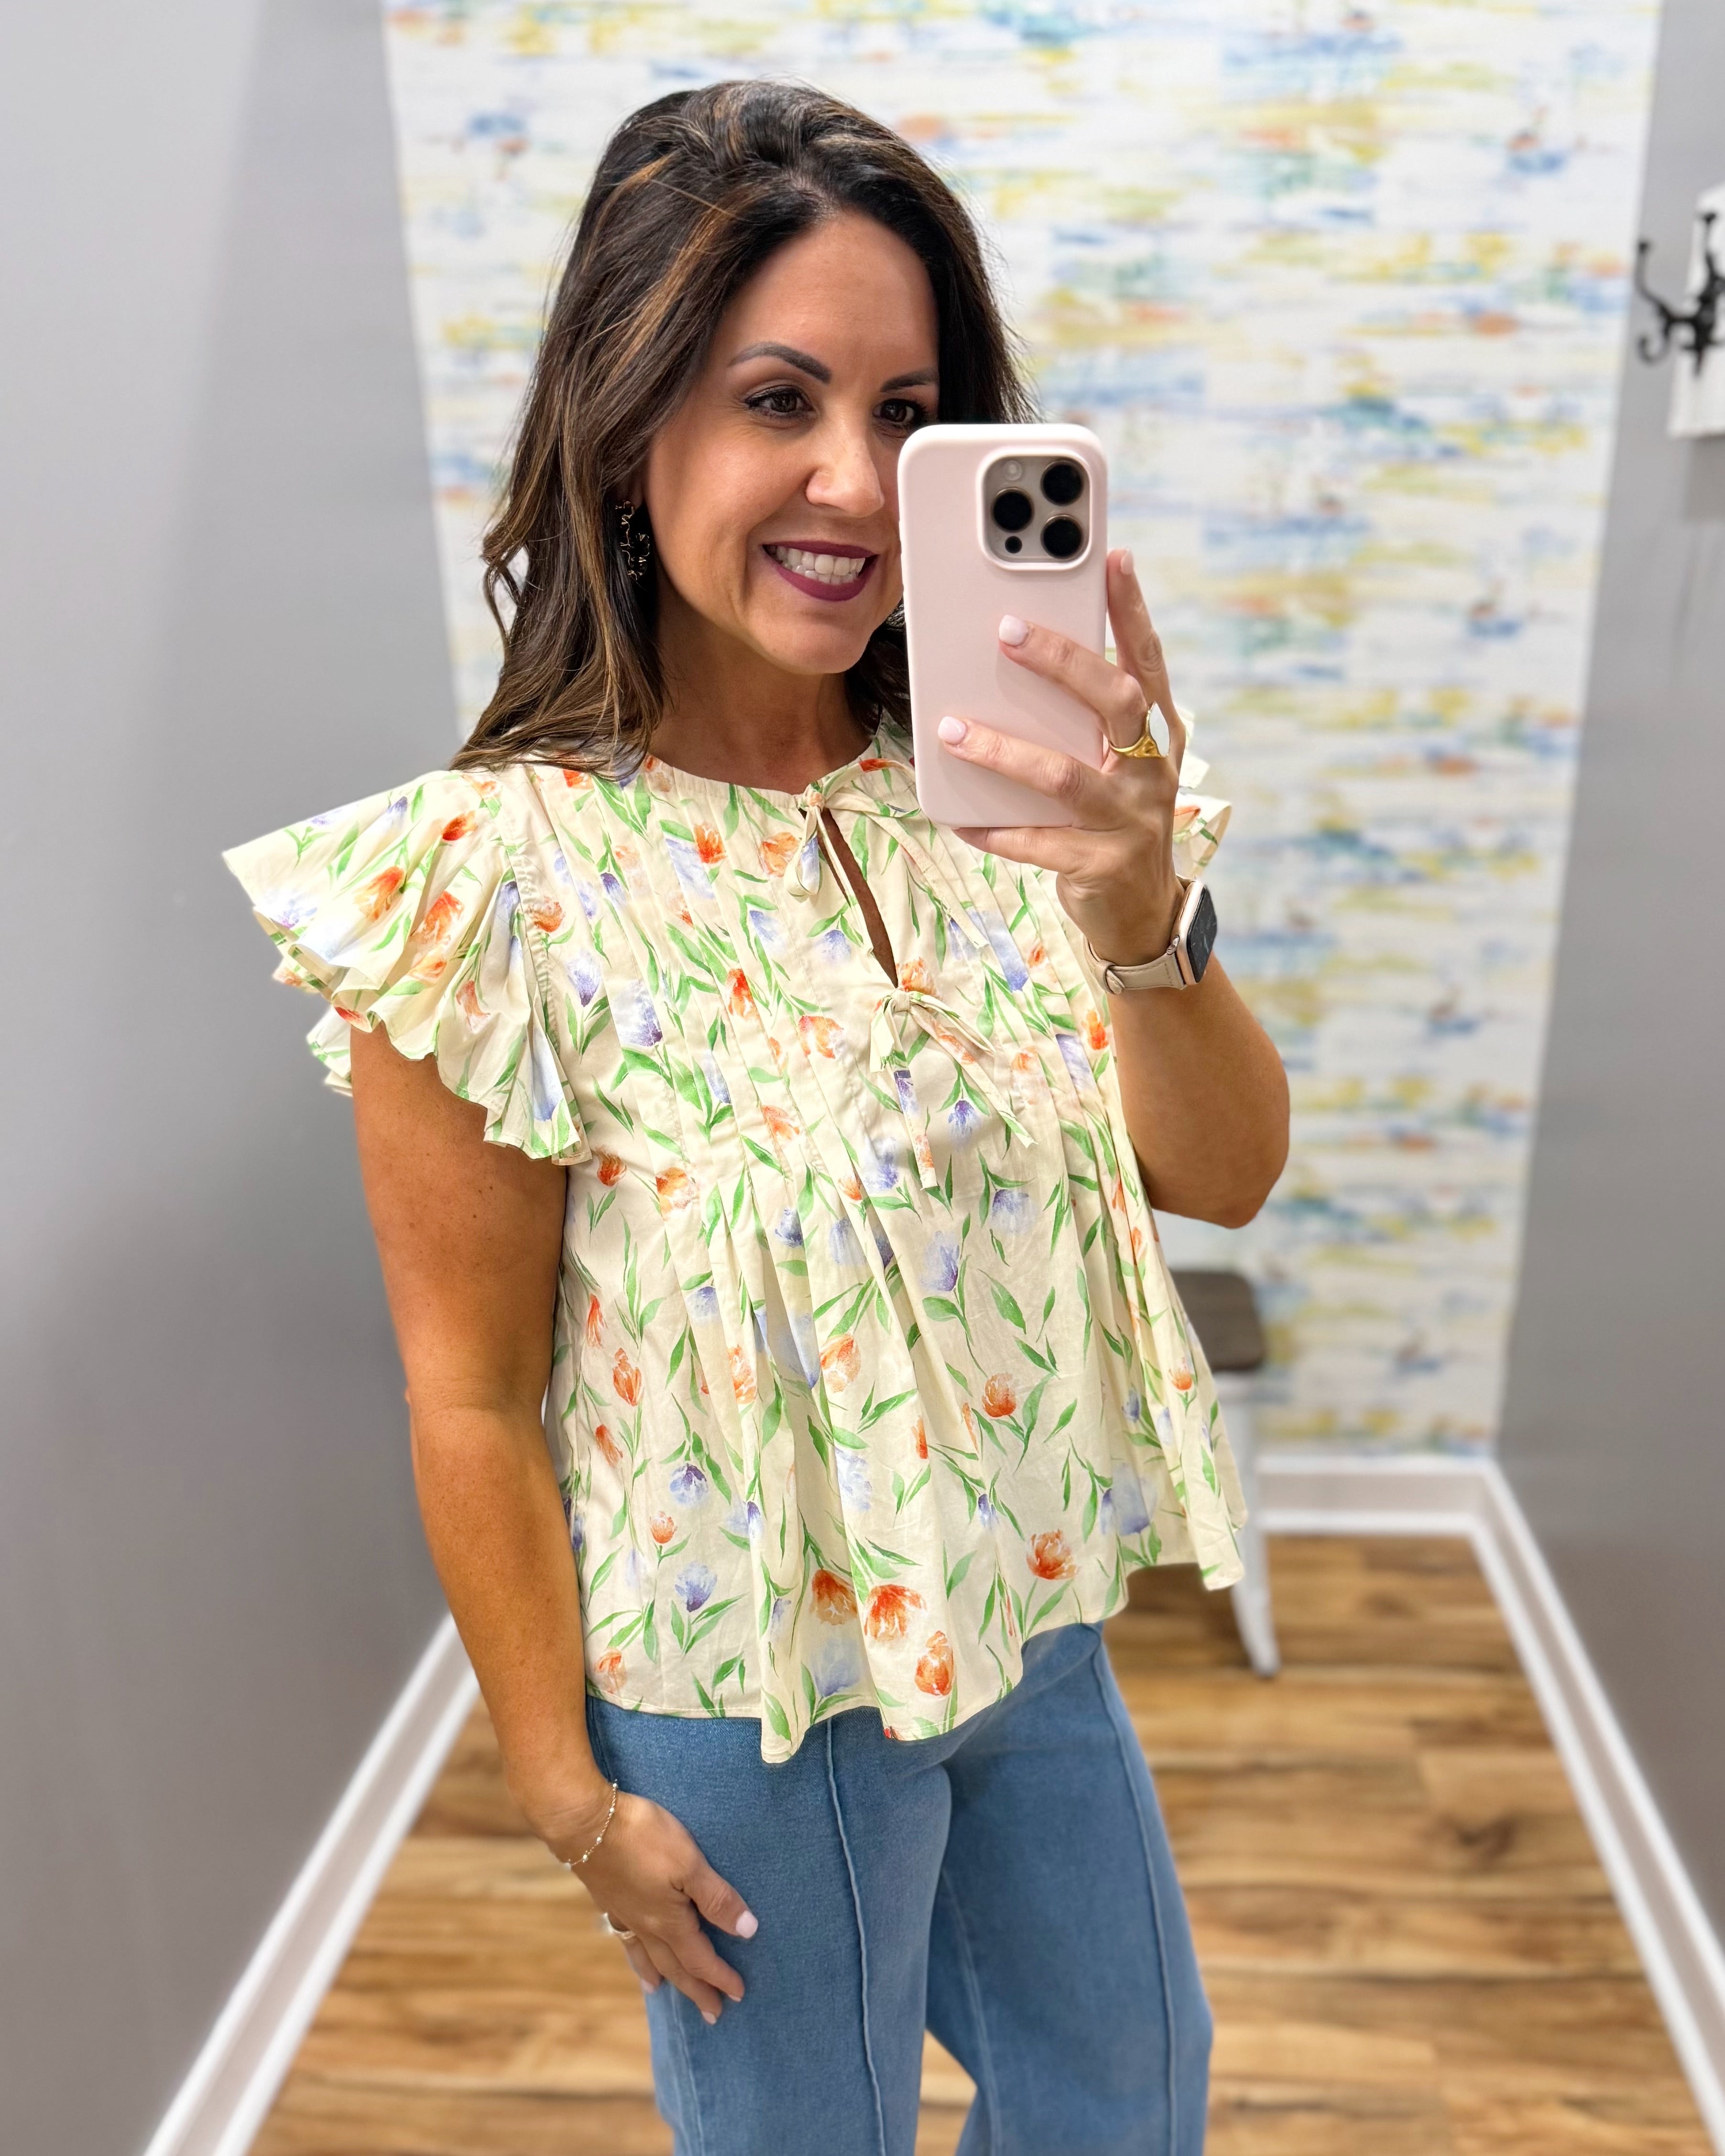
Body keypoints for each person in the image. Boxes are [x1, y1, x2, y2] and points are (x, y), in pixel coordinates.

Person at [227, 79, 1288, 2156]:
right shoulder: (491, 882)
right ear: (631, 433)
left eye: (910, 414)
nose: (852, 479)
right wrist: (568, 1799)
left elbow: (1226, 1175)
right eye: (774, 399)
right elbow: (468, 1393)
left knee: (1127, 2103)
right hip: (747, 1698)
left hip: (1031, 1618)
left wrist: (1139, 909)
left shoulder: (1012, 791)